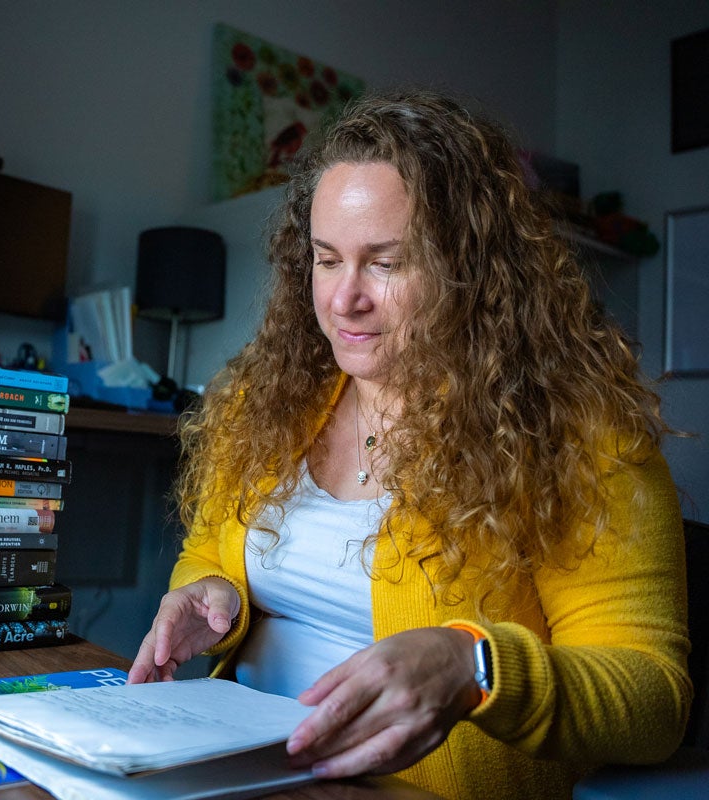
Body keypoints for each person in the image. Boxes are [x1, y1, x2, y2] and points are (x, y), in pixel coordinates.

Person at [128, 88, 691, 800]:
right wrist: (208, 596)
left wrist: (476, 666)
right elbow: (209, 551)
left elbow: (653, 699)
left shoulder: (577, 437)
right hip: (234, 777)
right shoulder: (261, 404)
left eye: (386, 263)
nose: (343, 298)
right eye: (327, 259)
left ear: (472, 271)